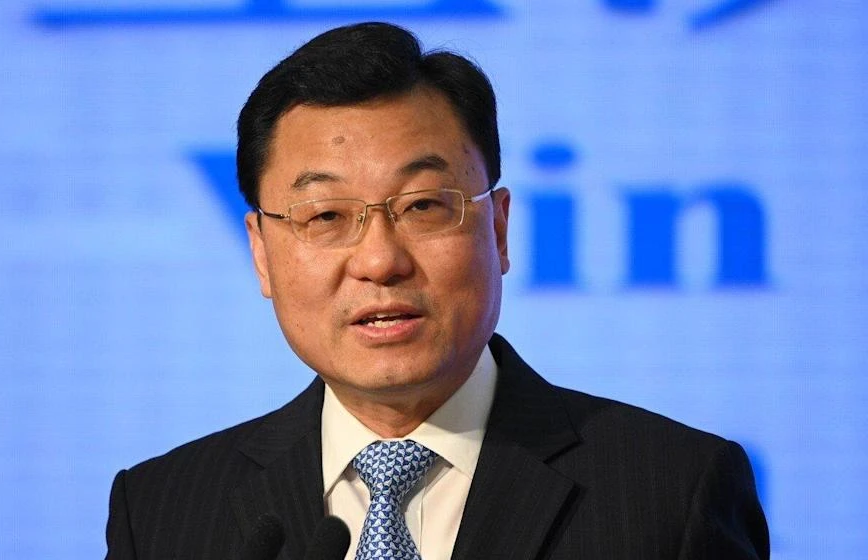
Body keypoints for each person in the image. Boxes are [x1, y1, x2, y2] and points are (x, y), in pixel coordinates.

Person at [105, 22, 769, 560]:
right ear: (261, 252)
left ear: (498, 229)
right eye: (326, 215)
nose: (379, 261)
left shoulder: (671, 492)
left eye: (423, 206)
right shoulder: (163, 512)